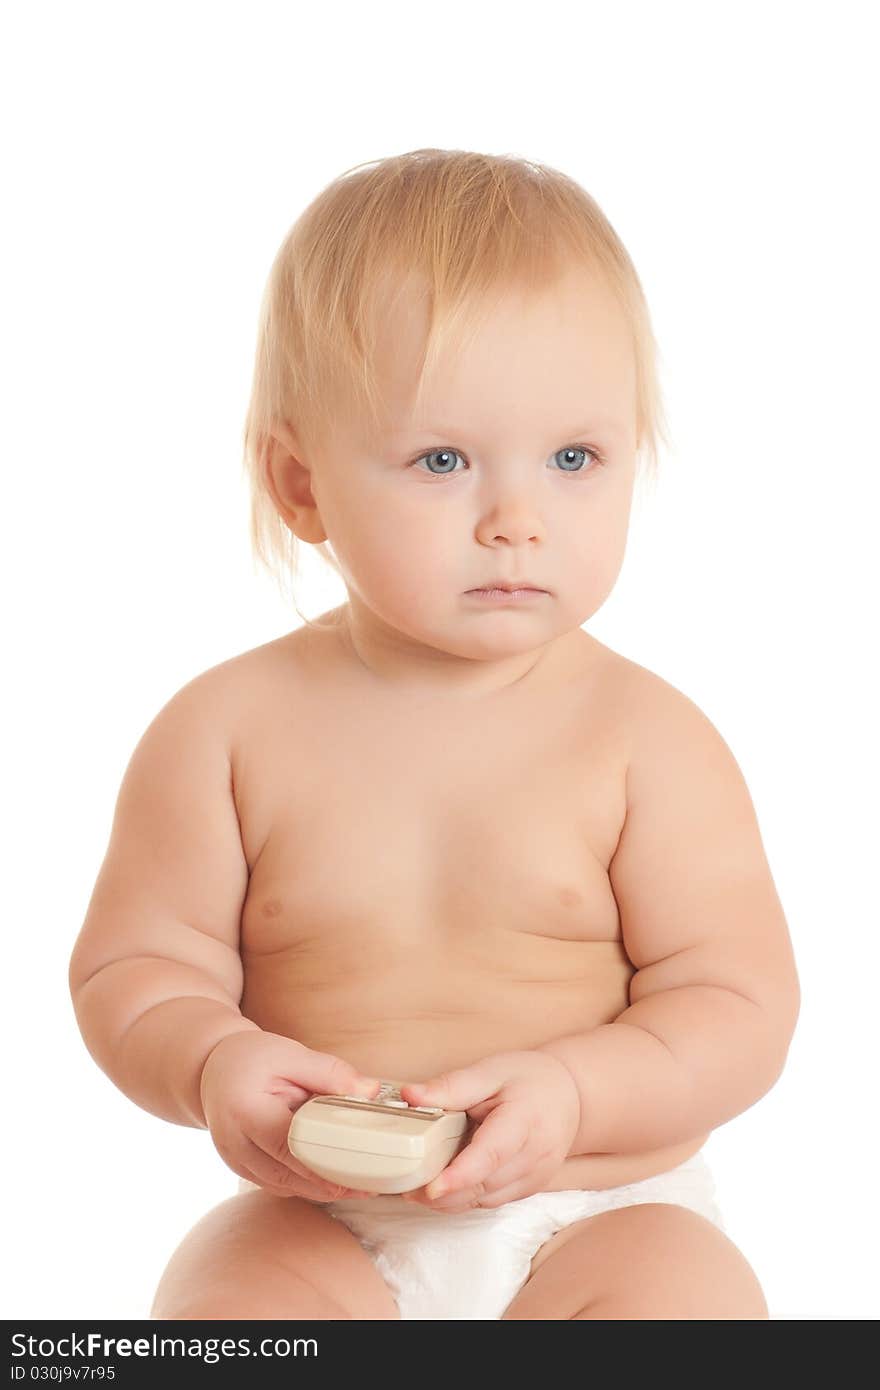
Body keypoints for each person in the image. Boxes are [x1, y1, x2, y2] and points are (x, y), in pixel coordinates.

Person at [68, 147, 800, 1320]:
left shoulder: (645, 740)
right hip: (317, 1216)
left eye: (574, 459)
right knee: (221, 1317)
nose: (517, 521)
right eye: (443, 460)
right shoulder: (224, 733)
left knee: (689, 1303)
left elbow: (736, 1005)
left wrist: (575, 1091)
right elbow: (135, 969)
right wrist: (212, 1058)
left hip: (597, 1208)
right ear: (301, 485)